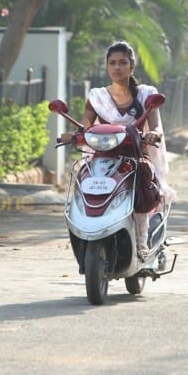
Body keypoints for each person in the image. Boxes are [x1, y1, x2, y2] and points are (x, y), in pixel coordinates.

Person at [62, 40, 176, 261]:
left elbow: (156, 126)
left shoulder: (146, 94)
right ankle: (88, 228)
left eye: (122, 62)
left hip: (135, 153)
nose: (117, 67)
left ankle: (142, 241)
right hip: (103, 155)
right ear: (106, 66)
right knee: (84, 178)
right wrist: (72, 134)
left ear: (132, 66)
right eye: (112, 63)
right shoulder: (97, 96)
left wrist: (155, 134)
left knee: (144, 176)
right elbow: (85, 125)